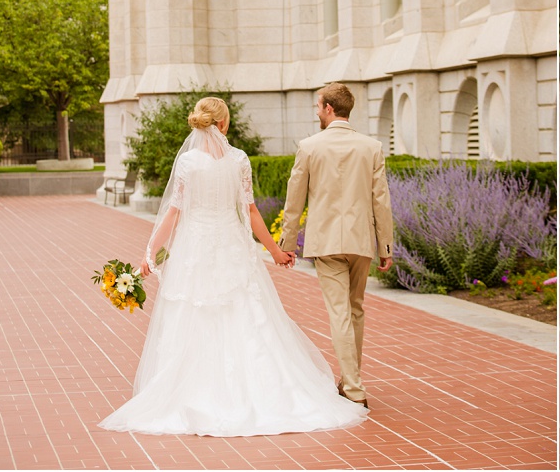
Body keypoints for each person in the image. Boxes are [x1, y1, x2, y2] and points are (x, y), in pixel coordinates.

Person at [100, 97, 367, 437]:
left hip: (194, 249)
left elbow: (174, 212)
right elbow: (251, 211)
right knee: (248, 315)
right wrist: (275, 251)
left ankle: (189, 391)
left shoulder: (188, 163)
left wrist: (149, 251)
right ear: (224, 124)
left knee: (191, 315)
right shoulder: (238, 160)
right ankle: (259, 390)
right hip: (230, 247)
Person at [279, 83, 394, 408]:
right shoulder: (371, 147)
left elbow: (294, 199)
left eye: (318, 106)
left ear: (329, 108)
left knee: (341, 312)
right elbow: (381, 200)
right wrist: (386, 245)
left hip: (327, 242)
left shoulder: (309, 147)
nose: (317, 111)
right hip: (360, 241)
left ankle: (354, 388)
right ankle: (349, 381)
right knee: (355, 309)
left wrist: (287, 241)